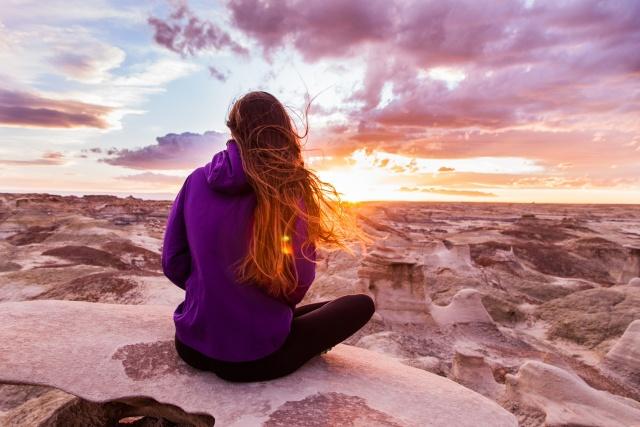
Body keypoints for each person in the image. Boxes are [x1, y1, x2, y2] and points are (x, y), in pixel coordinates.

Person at [162, 91, 375, 382]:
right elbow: (298, 282)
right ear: (284, 132)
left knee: (309, 312)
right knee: (359, 305)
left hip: (190, 345)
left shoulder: (196, 179)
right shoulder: (288, 189)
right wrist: (254, 306)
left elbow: (173, 261)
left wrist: (214, 290)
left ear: (233, 129)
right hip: (255, 360)